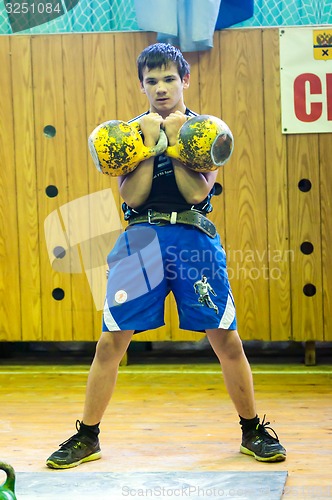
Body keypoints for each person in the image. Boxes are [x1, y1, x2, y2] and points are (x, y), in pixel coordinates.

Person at [46, 43, 286, 469]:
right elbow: (134, 194)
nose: (160, 88)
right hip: (140, 240)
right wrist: (152, 142)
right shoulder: (126, 134)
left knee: (225, 339)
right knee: (110, 342)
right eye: (152, 81)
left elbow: (196, 192)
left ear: (185, 80)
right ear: (141, 85)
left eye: (169, 79)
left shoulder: (207, 131)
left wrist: (175, 140)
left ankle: (252, 430)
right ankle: (87, 436)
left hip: (193, 239)